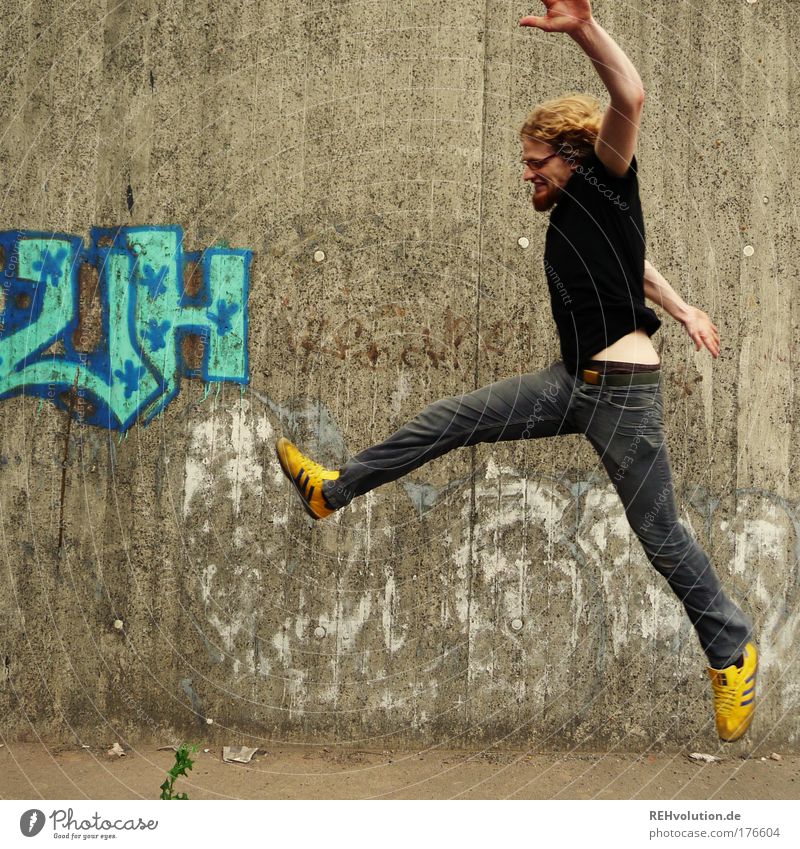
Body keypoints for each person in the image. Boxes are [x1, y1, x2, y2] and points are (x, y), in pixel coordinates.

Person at [275, 0, 756, 742]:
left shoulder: (604, 174)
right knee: (450, 420)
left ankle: (731, 648)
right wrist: (685, 305)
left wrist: (585, 31)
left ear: (573, 155)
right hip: (571, 385)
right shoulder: (579, 212)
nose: (524, 174)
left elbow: (628, 95)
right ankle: (331, 492)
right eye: (523, 161)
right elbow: (635, 259)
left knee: (660, 537)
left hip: (622, 397)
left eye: (536, 162)